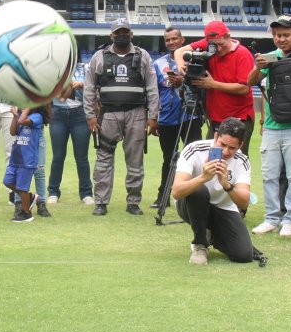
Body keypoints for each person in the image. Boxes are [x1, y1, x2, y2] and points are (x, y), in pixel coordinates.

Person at [245, 14, 291, 236]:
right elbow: (250, 82)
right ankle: (271, 217)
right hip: (272, 125)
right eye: (277, 35)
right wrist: (258, 67)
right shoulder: (270, 57)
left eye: (286, 35)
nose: (281, 39)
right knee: (269, 173)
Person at [83, 18, 159, 217]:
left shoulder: (143, 56)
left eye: (125, 32)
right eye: (118, 33)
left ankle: (133, 202)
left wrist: (153, 116)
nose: (122, 35)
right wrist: (90, 116)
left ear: (131, 34)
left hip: (137, 114)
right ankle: (101, 202)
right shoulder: (99, 57)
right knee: (103, 159)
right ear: (111, 36)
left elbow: (152, 88)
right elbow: (89, 88)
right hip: (108, 115)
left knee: (135, 161)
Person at [171, 117, 255, 264]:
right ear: (215, 136)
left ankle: (211, 234)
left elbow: (244, 202)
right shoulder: (195, 150)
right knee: (199, 191)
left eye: (232, 148)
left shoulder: (242, 161)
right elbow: (177, 192)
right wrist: (203, 177)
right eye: (222, 145)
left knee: (244, 255)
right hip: (190, 205)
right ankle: (200, 245)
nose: (226, 151)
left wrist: (226, 184)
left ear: (241, 145)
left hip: (223, 209)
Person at [172, 20, 257, 150]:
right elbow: (179, 52)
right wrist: (181, 67)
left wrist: (212, 84)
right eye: (214, 45)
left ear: (228, 37)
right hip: (215, 117)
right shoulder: (210, 43)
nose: (218, 49)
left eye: (221, 44)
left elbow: (244, 88)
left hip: (239, 117)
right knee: (212, 159)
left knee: (235, 161)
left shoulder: (242, 54)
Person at [151, 26, 203, 209]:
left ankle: (196, 198)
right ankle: (162, 197)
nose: (171, 42)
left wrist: (184, 82)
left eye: (175, 39)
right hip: (167, 118)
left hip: (191, 116)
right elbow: (154, 93)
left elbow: (203, 86)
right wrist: (153, 118)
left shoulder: (194, 60)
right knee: (169, 158)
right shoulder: (157, 64)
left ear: (182, 40)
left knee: (195, 158)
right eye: (168, 40)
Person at [46, 61, 94, 206]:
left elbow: (96, 86)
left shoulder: (85, 67)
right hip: (58, 114)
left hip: (80, 114)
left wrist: (82, 85)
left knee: (81, 157)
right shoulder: (53, 69)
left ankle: (86, 193)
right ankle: (53, 192)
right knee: (58, 156)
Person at [5, 105, 50, 222]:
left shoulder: (37, 117)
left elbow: (22, 121)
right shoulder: (21, 115)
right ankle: (30, 197)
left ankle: (26, 214)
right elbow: (12, 131)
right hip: (16, 156)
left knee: (22, 186)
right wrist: (15, 115)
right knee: (8, 181)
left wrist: (25, 110)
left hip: (28, 158)